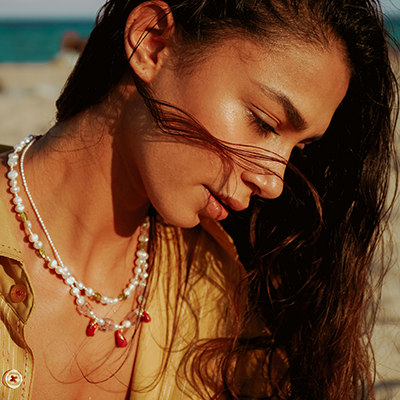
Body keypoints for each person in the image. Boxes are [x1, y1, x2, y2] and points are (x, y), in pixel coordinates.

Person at [0, 0, 397, 399]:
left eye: (301, 147)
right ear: (151, 42)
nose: (273, 182)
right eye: (263, 121)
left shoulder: (221, 300)